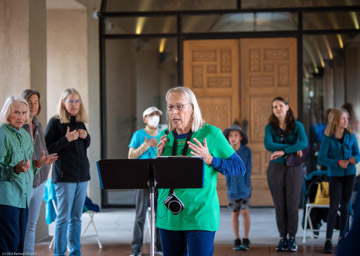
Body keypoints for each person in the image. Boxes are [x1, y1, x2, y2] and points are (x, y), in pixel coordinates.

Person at [156, 86, 246, 256]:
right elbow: (157, 178)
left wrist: (211, 160)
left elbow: (239, 167)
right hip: (168, 217)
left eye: (180, 106)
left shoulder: (211, 134)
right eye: (170, 107)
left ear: (192, 108)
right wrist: (157, 159)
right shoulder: (164, 137)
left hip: (200, 216)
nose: (174, 111)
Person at [0, 95, 57, 254]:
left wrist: (39, 163)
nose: (21, 117)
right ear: (7, 113)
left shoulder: (25, 134)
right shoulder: (2, 134)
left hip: (23, 199)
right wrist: (14, 170)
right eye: (16, 112)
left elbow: (27, 167)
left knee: (19, 244)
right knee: (8, 245)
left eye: (24, 113)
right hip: (7, 199)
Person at [45, 88, 91, 256]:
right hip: (65, 178)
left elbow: (85, 145)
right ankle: (59, 253)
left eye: (77, 101)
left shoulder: (79, 122)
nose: (74, 104)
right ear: (63, 103)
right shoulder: (55, 122)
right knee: (63, 219)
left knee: (77, 218)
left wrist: (86, 136)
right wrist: (66, 139)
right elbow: (48, 149)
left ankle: (75, 252)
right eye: (70, 101)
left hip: (82, 177)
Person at [264, 96, 308, 252]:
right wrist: (293, 147)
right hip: (275, 169)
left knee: (292, 204)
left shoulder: (298, 126)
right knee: (280, 205)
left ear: (287, 107)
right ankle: (283, 237)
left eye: (281, 106)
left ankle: (292, 238)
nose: (278, 109)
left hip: (294, 169)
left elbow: (303, 143)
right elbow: (268, 144)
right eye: (275, 107)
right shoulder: (270, 127)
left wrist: (283, 150)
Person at [318, 108, 360, 254]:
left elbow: (357, 153)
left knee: (346, 206)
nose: (346, 121)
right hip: (335, 176)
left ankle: (343, 237)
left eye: (347, 118)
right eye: (343, 118)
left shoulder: (351, 135)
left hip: (350, 175)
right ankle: (328, 240)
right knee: (334, 206)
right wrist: (337, 163)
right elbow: (321, 158)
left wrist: (355, 159)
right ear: (335, 121)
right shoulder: (328, 138)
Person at [20, 89, 52, 254]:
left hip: (39, 181)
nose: (33, 106)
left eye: (36, 102)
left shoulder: (38, 125)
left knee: (31, 225)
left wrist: (45, 169)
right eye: (30, 102)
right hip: (24, 183)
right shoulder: (19, 126)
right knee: (22, 225)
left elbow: (43, 150)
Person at [128, 106, 163, 256]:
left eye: (157, 115)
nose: (155, 118)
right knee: (140, 216)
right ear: (145, 119)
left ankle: (159, 247)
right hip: (141, 179)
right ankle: (136, 249)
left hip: (159, 179)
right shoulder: (138, 135)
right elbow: (131, 156)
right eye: (151, 115)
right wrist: (146, 145)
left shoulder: (163, 135)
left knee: (159, 215)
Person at [223, 123, 252, 251]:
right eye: (231, 136)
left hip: (244, 187)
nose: (233, 138)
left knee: (245, 212)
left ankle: (246, 238)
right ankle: (236, 238)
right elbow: (224, 169)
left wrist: (247, 185)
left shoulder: (246, 151)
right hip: (232, 188)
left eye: (236, 135)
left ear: (240, 137)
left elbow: (248, 169)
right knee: (234, 213)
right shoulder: (226, 151)